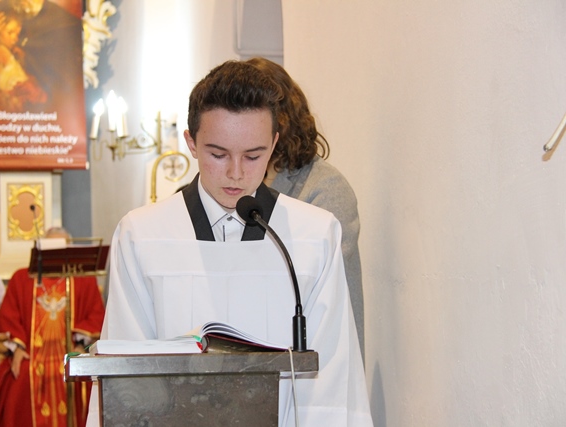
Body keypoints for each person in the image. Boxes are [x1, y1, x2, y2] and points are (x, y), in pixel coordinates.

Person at [87, 61, 372, 426]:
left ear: (274, 144)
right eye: (218, 154)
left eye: (253, 156)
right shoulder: (142, 235)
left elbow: (332, 380)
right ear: (191, 143)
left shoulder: (313, 235)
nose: (236, 173)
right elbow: (126, 375)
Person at [246, 56, 365, 361]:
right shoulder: (247, 182)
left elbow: (316, 282)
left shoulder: (326, 187)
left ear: (281, 120)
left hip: (317, 357)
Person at [0, 227, 105, 427]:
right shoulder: (22, 279)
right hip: (31, 354)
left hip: (71, 350)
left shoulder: (83, 280)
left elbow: (96, 317)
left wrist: (80, 345)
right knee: (19, 377)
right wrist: (17, 348)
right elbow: (8, 319)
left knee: (81, 371)